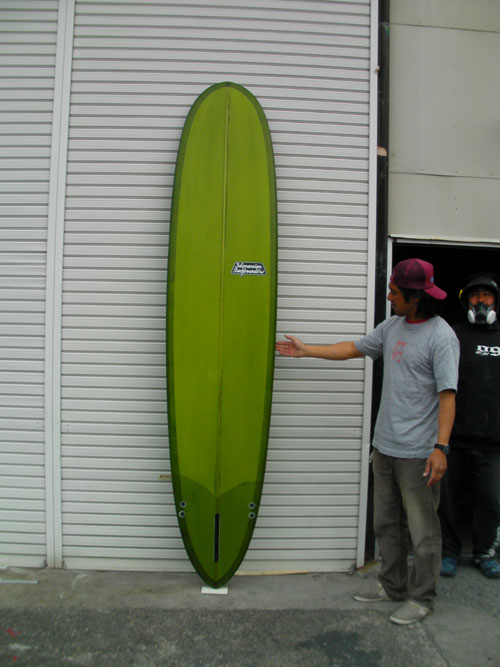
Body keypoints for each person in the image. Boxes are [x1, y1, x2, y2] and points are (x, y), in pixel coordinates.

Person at [276, 258, 459, 625]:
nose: (388, 297)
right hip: (385, 447)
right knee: (386, 524)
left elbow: (447, 396)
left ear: (415, 297)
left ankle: (422, 598)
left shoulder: (442, 337)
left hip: (419, 454)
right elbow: (352, 348)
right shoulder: (392, 327)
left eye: (394, 292)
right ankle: (392, 586)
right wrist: (306, 350)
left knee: (423, 532)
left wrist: (440, 448)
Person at [439, 273, 500, 579]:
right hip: (454, 438)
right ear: (466, 301)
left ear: (495, 301)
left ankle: (484, 553)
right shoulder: (453, 335)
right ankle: (448, 552)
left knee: (491, 500)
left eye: (486, 295)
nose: (481, 300)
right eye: (475, 295)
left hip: (493, 442)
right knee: (447, 500)